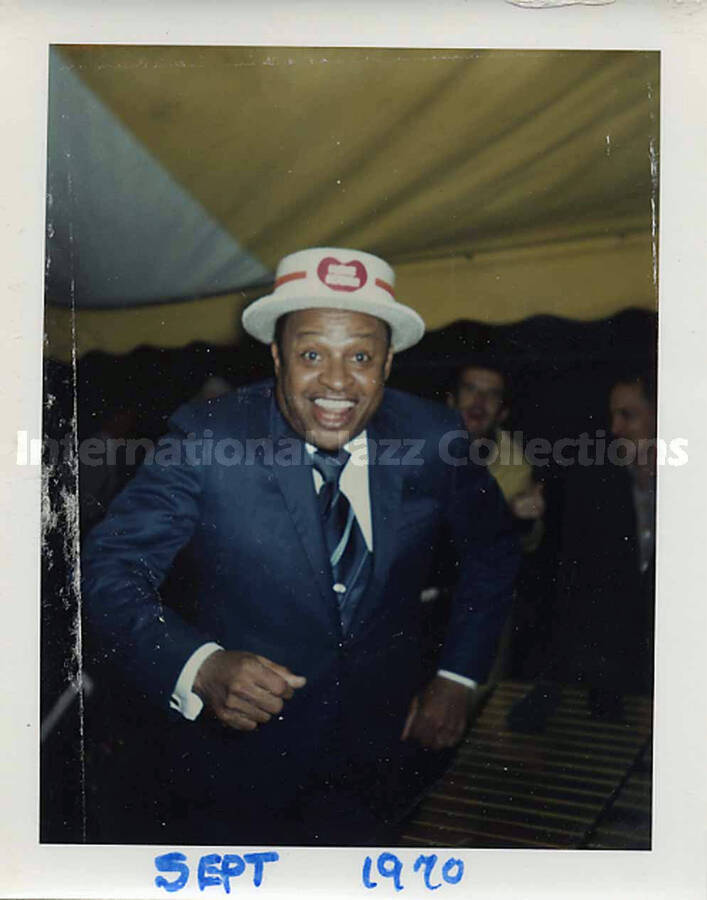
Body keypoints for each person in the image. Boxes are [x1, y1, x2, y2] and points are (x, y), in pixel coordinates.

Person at [81, 247, 520, 845]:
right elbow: (107, 567)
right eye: (311, 353)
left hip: (378, 758)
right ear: (276, 356)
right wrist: (199, 665)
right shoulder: (207, 437)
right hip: (232, 771)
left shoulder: (432, 437)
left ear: (388, 362)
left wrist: (459, 675)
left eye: (360, 356)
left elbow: (493, 550)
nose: (337, 381)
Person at [508, 367, 656, 730]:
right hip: (607, 680)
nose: (616, 428)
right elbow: (567, 586)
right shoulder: (593, 484)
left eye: (629, 415)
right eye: (613, 416)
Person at [448, 362, 544, 551]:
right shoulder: (417, 444)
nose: (479, 401)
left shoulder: (516, 465)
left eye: (492, 394)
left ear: (502, 414)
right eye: (470, 389)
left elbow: (529, 542)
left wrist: (522, 521)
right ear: (451, 401)